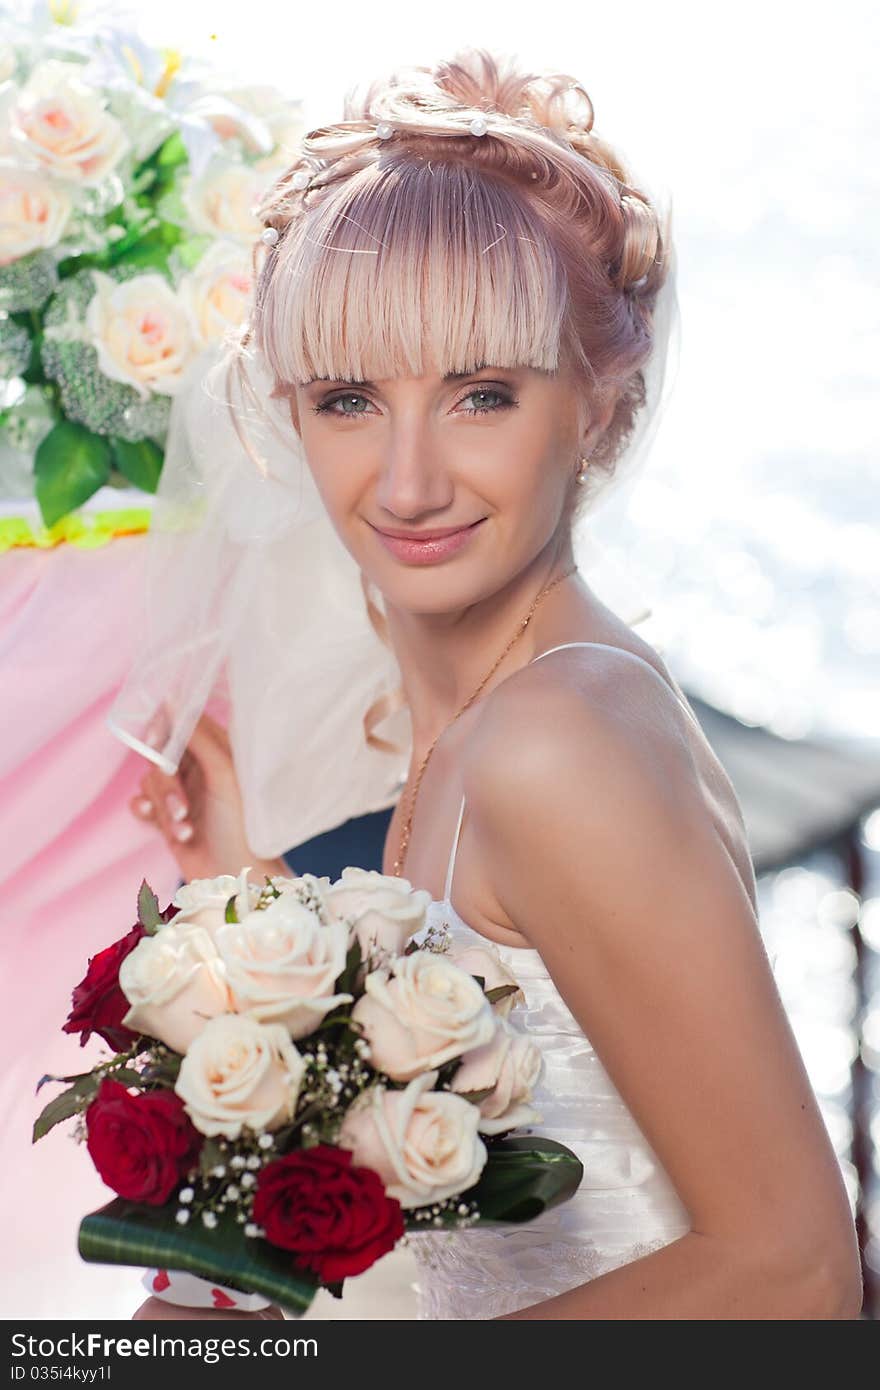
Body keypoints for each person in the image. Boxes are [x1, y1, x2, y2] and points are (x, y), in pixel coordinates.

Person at [124, 47, 862, 1319]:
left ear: (598, 407)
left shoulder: (552, 740)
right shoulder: (492, 715)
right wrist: (246, 916)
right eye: (351, 398)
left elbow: (794, 1270)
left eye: (480, 395)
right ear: (287, 411)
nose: (407, 484)